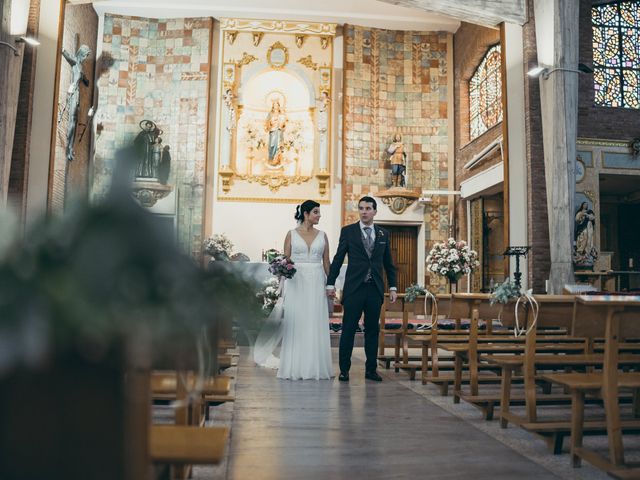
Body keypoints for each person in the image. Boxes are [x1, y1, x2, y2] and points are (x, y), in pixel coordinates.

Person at [253, 200, 334, 380]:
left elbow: (326, 262)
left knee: (314, 321)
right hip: (296, 282)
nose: (319, 215)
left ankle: (315, 367)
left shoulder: (323, 235)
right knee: (297, 321)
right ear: (305, 214)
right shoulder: (291, 234)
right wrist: (282, 272)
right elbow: (285, 259)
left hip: (316, 281)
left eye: (319, 212)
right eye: (316, 212)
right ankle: (294, 366)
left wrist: (331, 284)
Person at [326, 196, 397, 382]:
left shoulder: (383, 234)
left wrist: (394, 286)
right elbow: (338, 258)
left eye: (368, 208)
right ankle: (344, 370)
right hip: (354, 289)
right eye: (361, 208)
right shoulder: (348, 232)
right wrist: (330, 283)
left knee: (372, 330)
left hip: (374, 289)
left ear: (374, 211)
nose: (364, 211)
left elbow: (389, 263)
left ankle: (371, 370)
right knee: (348, 329)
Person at [61, 44, 92, 161]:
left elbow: (86, 81)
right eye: (85, 55)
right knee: (72, 121)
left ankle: (70, 147)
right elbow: (65, 53)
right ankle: (68, 147)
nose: (85, 58)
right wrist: (62, 49)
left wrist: (86, 80)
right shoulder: (74, 61)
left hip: (77, 94)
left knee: (75, 121)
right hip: (73, 93)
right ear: (82, 54)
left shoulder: (81, 67)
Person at [265, 100, 287, 166]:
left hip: (279, 132)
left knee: (278, 145)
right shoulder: (270, 114)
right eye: (274, 104)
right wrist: (272, 122)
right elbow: (266, 123)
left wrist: (282, 124)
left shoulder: (281, 114)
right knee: (272, 145)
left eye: (277, 104)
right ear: (273, 106)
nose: (276, 106)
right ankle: (271, 159)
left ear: (279, 105)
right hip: (273, 132)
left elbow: (285, 124)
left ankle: (278, 160)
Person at [574, 201, 597, 265]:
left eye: (586, 205)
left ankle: (587, 252)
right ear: (582, 205)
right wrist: (582, 214)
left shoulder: (589, 212)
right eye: (584, 205)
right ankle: (580, 251)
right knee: (583, 238)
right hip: (582, 228)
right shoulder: (580, 212)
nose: (585, 206)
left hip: (588, 227)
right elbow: (577, 219)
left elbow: (592, 218)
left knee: (588, 239)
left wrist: (586, 215)